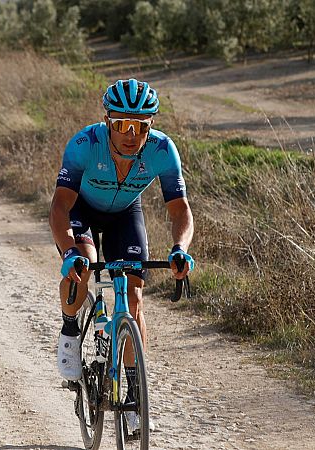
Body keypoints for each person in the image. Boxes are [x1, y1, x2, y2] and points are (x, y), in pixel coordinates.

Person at [48, 78, 195, 433]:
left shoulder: (162, 150)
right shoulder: (86, 143)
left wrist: (180, 250)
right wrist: (69, 251)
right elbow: (59, 207)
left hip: (126, 213)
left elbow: (180, 211)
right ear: (108, 121)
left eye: (140, 126)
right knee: (82, 265)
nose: (130, 134)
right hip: (82, 210)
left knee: (134, 296)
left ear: (151, 125)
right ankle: (70, 331)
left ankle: (133, 393)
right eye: (121, 125)